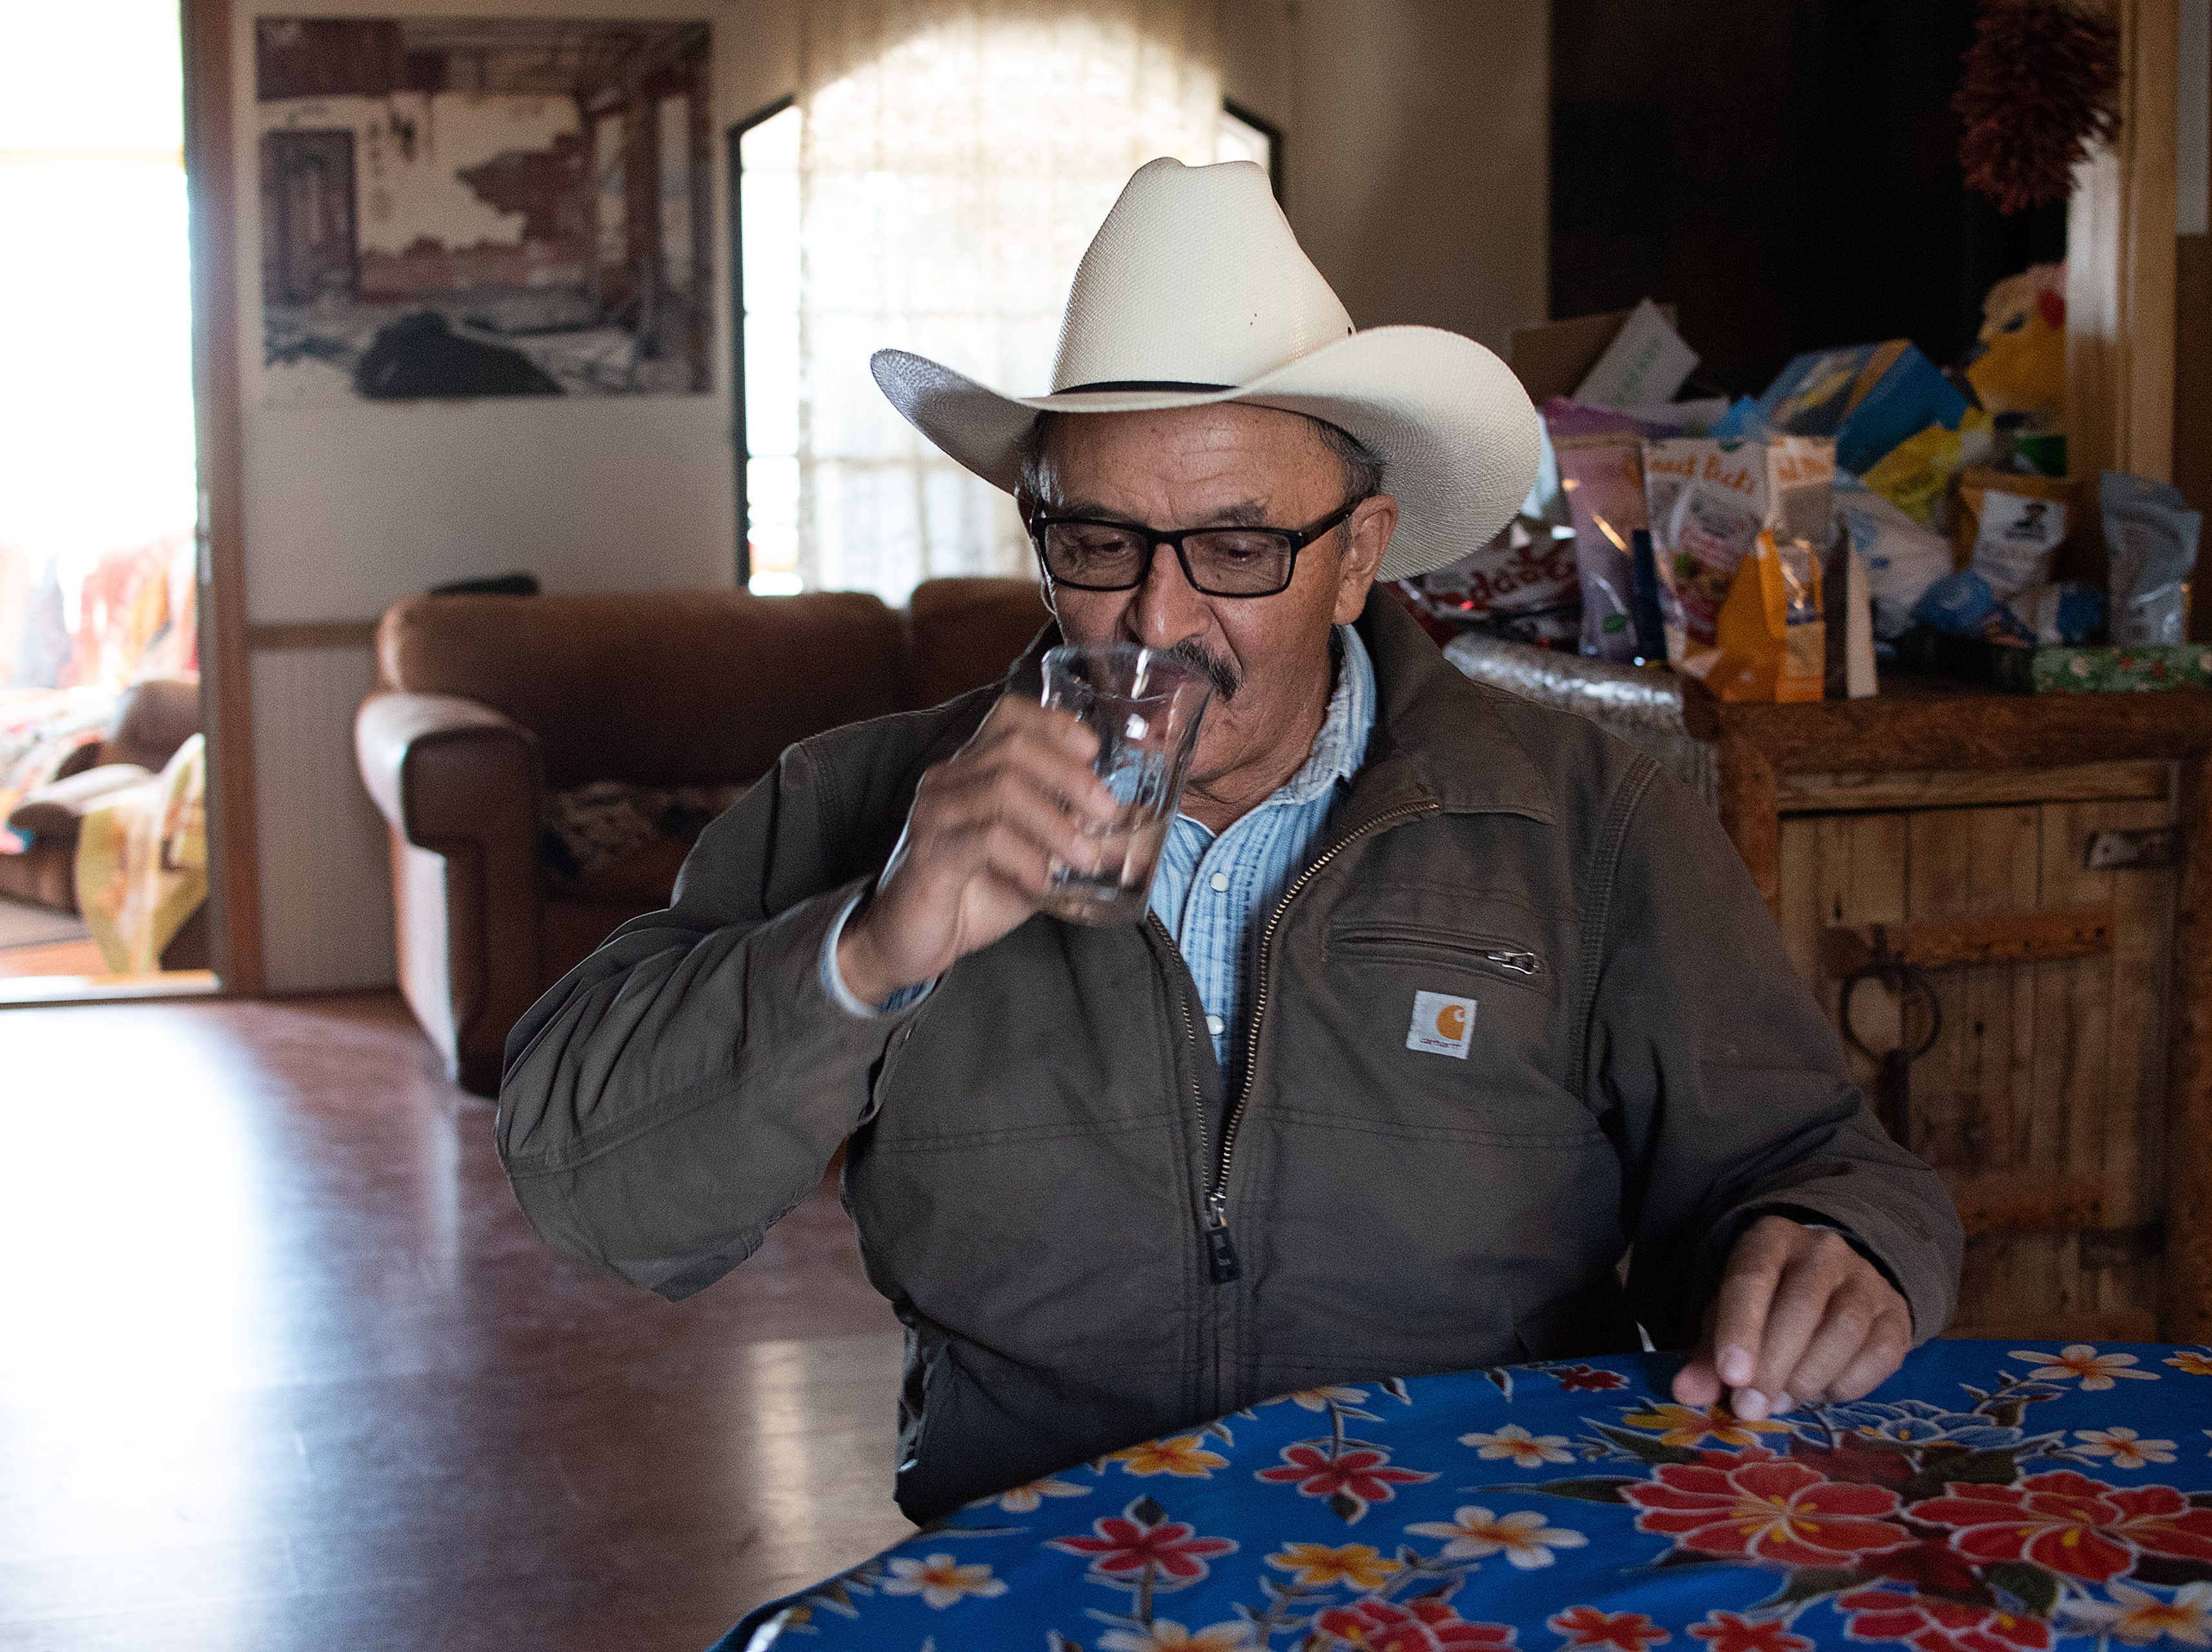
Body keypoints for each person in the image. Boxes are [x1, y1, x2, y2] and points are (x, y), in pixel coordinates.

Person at [498, 157, 1962, 1523]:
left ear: (1358, 555)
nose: (1159, 615)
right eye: (1099, 541)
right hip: (1041, 1563)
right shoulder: (862, 800)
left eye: (1241, 547)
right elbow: (593, 1188)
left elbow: (1814, 1161)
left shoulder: (1582, 816)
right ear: (1042, 536)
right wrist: (865, 947)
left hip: (1465, 1551)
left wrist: (1838, 1248)